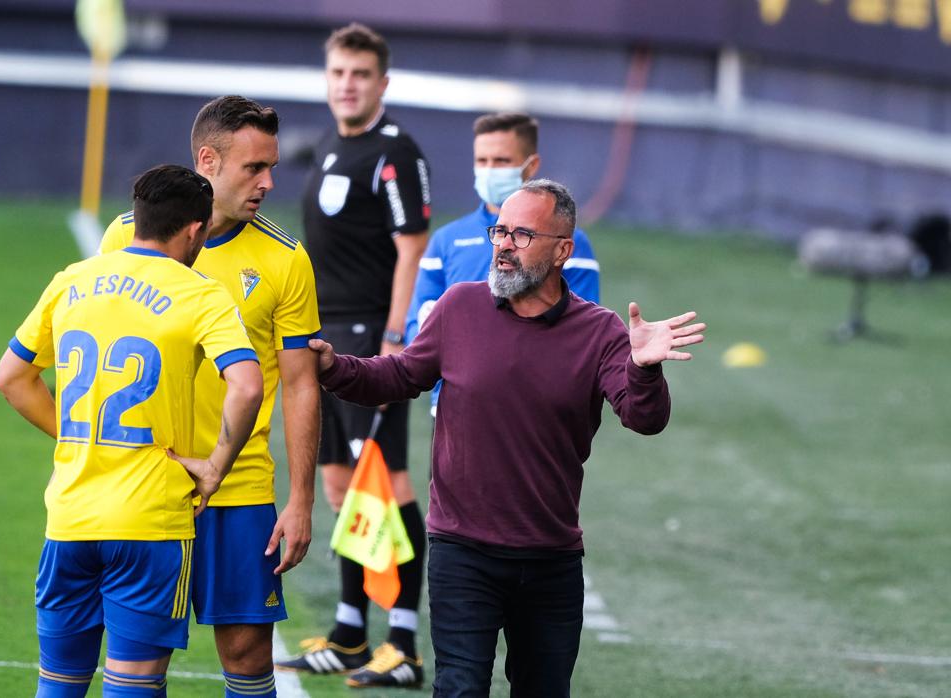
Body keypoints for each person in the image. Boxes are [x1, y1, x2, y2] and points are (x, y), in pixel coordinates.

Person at [308, 179, 706, 697]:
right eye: (500, 231)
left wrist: (644, 369)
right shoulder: (459, 308)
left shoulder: (602, 333)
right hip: (462, 551)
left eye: (521, 234)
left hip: (550, 560)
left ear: (563, 250)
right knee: (460, 688)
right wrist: (333, 366)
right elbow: (399, 375)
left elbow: (644, 418)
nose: (503, 244)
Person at [0, 164, 264, 698]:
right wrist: (214, 469)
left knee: (60, 682)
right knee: (133, 685)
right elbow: (248, 386)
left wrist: (78, 436)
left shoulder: (71, 280)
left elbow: (12, 377)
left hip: (70, 519)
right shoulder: (200, 293)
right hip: (149, 524)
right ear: (194, 230)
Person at [98, 96, 321, 698]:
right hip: (149, 484)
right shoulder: (126, 235)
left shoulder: (285, 259)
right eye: (254, 168)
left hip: (241, 488)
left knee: (249, 657)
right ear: (208, 160)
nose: (268, 183)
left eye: (272, 167)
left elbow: (301, 383)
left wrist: (301, 500)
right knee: (139, 661)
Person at [278, 23, 430, 689]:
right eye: (339, 72)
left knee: (387, 486)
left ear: (382, 83)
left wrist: (395, 336)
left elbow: (412, 246)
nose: (347, 84)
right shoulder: (333, 144)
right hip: (326, 336)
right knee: (340, 484)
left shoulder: (396, 151)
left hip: (372, 339)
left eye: (360, 74)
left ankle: (402, 639)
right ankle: (347, 631)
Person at [405, 112, 600, 418]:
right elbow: (416, 324)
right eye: (482, 161)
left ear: (531, 166)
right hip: (454, 411)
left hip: (532, 414)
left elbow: (583, 333)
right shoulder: (446, 240)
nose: (489, 171)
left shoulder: (566, 241)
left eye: (501, 161)